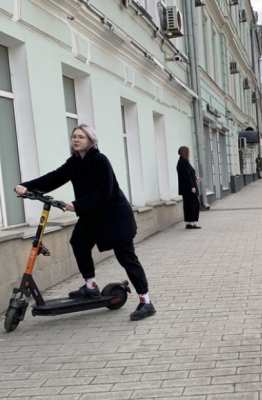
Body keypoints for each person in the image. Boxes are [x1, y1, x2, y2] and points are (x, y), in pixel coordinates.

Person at [13, 124, 156, 321]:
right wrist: (26, 186)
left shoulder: (99, 160)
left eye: (81, 136)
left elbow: (105, 191)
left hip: (115, 217)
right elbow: (54, 178)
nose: (76, 139)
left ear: (91, 141)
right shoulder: (75, 162)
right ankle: (91, 287)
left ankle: (146, 301)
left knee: (127, 258)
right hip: (92, 215)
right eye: (74, 136)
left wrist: (77, 205)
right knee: (79, 243)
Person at [177, 146, 202, 229]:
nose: (189, 154)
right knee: (194, 204)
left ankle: (189, 222)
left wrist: (195, 178)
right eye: (188, 152)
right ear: (185, 152)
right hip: (188, 189)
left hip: (186, 188)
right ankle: (190, 222)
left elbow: (189, 174)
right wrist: (192, 187)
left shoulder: (183, 162)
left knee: (188, 205)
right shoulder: (183, 162)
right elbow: (186, 176)